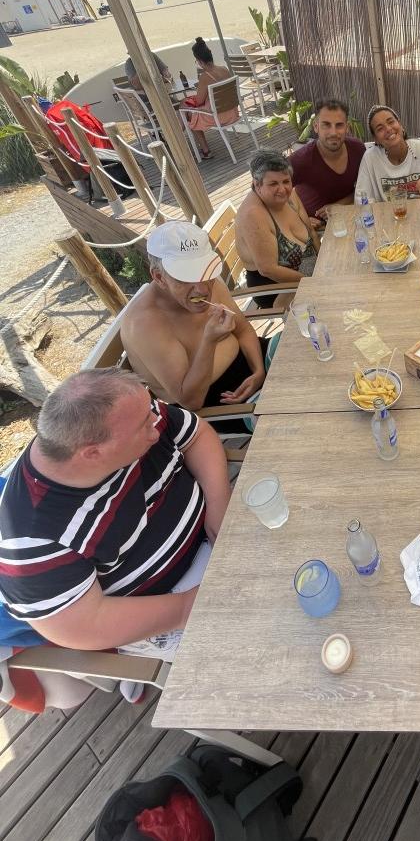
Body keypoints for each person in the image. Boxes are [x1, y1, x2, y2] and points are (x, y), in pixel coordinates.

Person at [0, 368, 229, 709]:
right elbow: (83, 627)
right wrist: (187, 607)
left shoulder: (131, 416)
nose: (156, 426)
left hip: (219, 534)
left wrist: (219, 504)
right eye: (145, 426)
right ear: (92, 453)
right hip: (168, 605)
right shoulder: (31, 541)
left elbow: (195, 436)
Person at [121, 221, 270, 411]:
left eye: (204, 272)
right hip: (222, 404)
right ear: (159, 277)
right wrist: (209, 340)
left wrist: (258, 371)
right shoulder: (145, 324)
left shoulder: (207, 282)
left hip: (253, 362)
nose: (202, 289)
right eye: (186, 278)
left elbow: (242, 330)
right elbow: (191, 401)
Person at [235, 150, 319, 301]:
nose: (282, 189)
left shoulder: (289, 195)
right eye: (273, 184)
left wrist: (324, 265)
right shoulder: (253, 215)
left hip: (313, 275)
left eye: (286, 181)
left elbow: (311, 233)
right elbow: (268, 270)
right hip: (278, 290)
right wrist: (315, 283)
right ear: (257, 184)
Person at [289, 98, 366, 222]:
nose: (333, 132)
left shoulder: (358, 149)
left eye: (339, 125)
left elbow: (364, 188)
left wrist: (339, 205)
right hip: (316, 227)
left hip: (350, 218)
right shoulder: (300, 160)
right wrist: (300, 220)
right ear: (316, 126)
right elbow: (272, 195)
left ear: (347, 127)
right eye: (326, 125)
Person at [355, 105, 420, 202]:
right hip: (388, 212)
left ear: (400, 124)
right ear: (376, 139)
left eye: (391, 122)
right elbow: (361, 199)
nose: (388, 129)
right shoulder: (370, 158)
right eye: (380, 129)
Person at [180, 37, 239, 160]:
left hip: (219, 116)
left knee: (188, 114)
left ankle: (205, 150)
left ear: (199, 61)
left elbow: (199, 101)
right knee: (185, 106)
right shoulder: (224, 69)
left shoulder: (205, 77)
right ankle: (179, 134)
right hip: (233, 112)